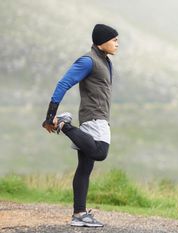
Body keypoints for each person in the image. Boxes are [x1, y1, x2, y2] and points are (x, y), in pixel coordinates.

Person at [42, 24, 119, 227]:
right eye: (114, 39)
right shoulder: (88, 61)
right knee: (100, 152)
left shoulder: (105, 61)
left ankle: (79, 215)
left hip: (96, 117)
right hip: (94, 118)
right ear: (101, 41)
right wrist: (51, 115)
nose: (117, 43)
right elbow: (63, 83)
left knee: (84, 168)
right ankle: (65, 125)